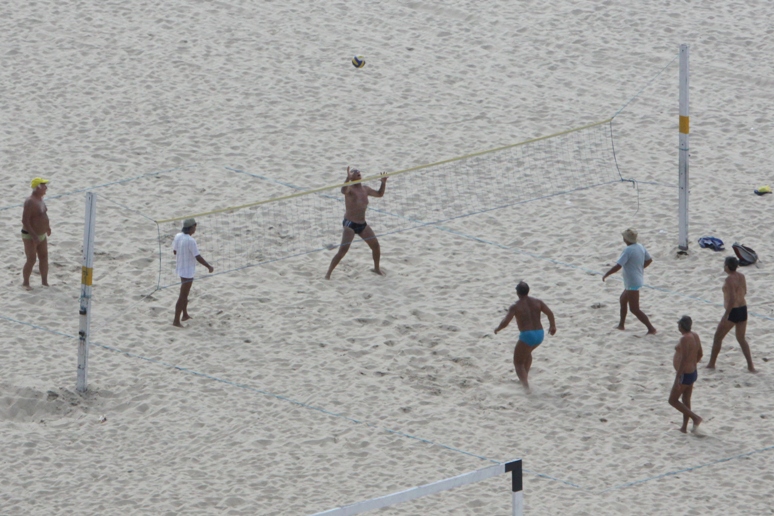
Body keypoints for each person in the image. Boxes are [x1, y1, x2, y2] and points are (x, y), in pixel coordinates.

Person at [325, 166, 388, 279]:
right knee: (342, 251)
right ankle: (328, 274)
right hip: (350, 224)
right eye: (354, 172)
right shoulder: (350, 189)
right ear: (352, 177)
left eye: (358, 171)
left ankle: (376, 269)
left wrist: (383, 183)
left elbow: (380, 194)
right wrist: (347, 179)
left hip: (362, 225)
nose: (357, 172)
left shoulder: (365, 189)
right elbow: (343, 191)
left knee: (376, 246)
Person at [494, 281, 557, 392]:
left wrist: (498, 329)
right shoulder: (537, 302)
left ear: (517, 292)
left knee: (518, 362)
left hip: (527, 335)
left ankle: (526, 388)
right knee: (527, 353)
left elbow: (506, 321)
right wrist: (552, 326)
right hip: (540, 334)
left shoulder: (515, 306)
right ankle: (525, 378)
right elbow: (550, 313)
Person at [602, 228, 657, 335]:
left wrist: (607, 274)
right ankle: (621, 325)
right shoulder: (640, 246)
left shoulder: (628, 250)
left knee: (634, 309)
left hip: (632, 282)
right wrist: (639, 269)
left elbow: (618, 265)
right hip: (634, 280)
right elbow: (649, 260)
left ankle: (651, 328)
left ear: (626, 239)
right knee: (623, 300)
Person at [707, 257, 756, 372]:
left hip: (733, 311)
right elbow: (745, 292)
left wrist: (726, 315)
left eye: (724, 265)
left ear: (728, 266)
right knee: (741, 339)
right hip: (743, 309)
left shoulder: (729, 280)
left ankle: (711, 364)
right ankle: (750, 366)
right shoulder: (742, 276)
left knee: (718, 337)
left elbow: (732, 299)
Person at [172, 218, 214, 327]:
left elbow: (175, 251)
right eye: (195, 226)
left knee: (185, 294)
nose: (195, 229)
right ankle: (176, 321)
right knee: (183, 295)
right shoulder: (191, 241)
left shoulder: (178, 236)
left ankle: (184, 314)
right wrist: (208, 266)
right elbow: (198, 257)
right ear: (191, 227)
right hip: (187, 271)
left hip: (181, 267)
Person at [669, 316, 703, 434]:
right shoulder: (695, 335)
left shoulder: (684, 339)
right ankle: (684, 427)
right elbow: (700, 354)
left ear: (681, 326)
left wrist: (678, 377)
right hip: (693, 372)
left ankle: (695, 418)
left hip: (685, 374)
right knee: (686, 400)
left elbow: (683, 359)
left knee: (672, 400)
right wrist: (693, 364)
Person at [21, 177, 51, 289]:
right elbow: (25, 220)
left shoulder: (40, 199)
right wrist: (33, 235)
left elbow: (43, 214)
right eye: (44, 186)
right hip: (30, 235)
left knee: (44, 257)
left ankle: (44, 282)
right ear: (37, 187)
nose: (46, 188)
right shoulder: (30, 201)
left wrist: (47, 227)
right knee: (31, 259)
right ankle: (26, 282)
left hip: (41, 234)